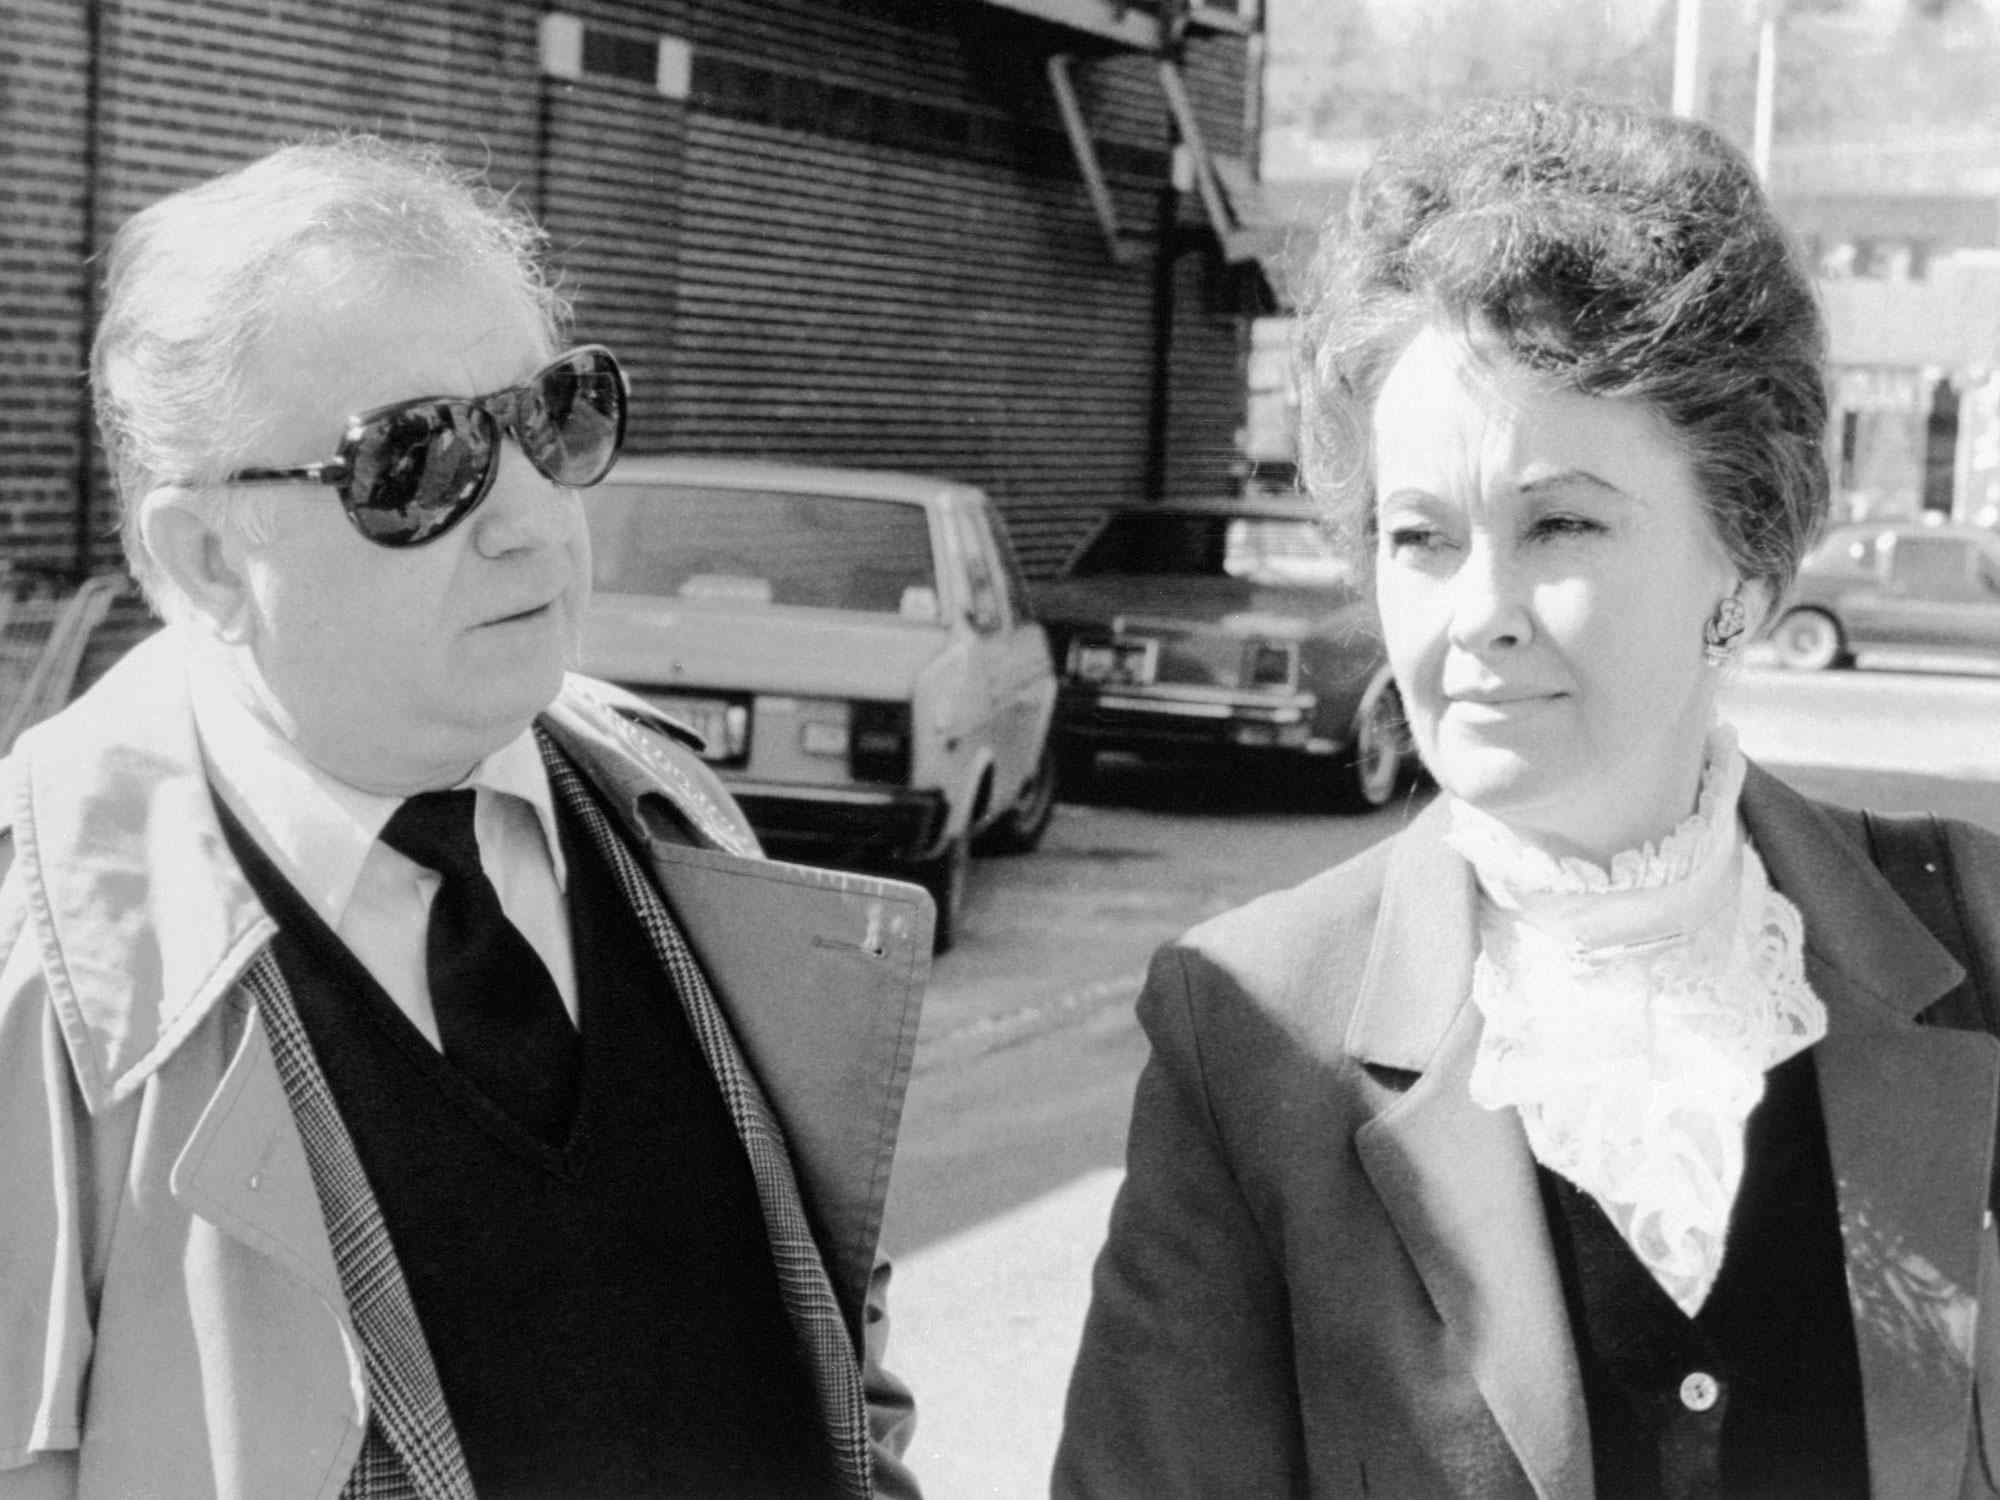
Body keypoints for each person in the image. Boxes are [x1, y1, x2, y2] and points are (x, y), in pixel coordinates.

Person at [1055, 95, 2000, 1498]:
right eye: (1420, 536)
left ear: (1740, 566)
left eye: (1558, 523)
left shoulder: (1978, 935)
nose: (1476, 613)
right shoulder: (1249, 1029)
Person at [0, 136, 926, 1500]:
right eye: (419, 462)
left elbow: (830, 1351)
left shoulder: (660, 801)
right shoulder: (45, 979)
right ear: (204, 557)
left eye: (556, 415)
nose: (536, 519)